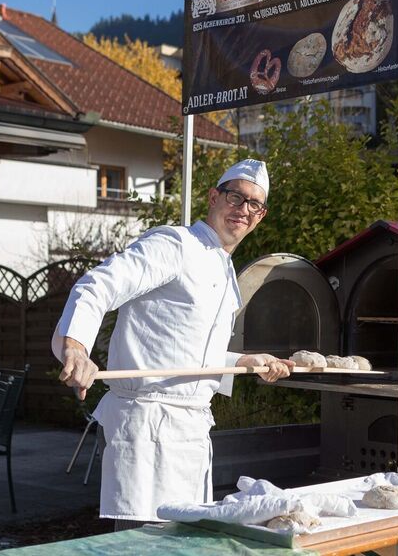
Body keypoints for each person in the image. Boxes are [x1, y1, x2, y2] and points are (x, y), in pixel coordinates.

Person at [52, 159, 293, 529]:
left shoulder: (226, 269)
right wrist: (75, 347)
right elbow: (99, 285)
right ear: (214, 197)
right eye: (235, 197)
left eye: (254, 205)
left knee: (182, 542)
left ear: (260, 216)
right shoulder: (174, 244)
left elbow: (183, 347)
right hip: (147, 427)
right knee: (140, 546)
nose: (243, 210)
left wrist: (243, 361)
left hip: (191, 431)